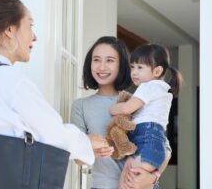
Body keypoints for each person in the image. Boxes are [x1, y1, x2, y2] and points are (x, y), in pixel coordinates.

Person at [0, 0, 108, 171]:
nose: (34, 36)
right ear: (9, 30)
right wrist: (87, 142)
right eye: (30, 25)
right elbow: (53, 134)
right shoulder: (12, 81)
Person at [71, 37, 171, 189]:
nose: (102, 67)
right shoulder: (81, 106)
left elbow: (165, 149)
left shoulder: (135, 101)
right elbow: (78, 159)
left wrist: (153, 178)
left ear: (122, 65)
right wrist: (91, 147)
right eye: (96, 60)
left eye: (110, 60)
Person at [109, 44, 182, 189]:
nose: (134, 72)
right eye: (132, 67)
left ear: (157, 70)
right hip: (153, 142)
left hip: (146, 139)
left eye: (140, 68)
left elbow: (127, 108)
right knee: (129, 183)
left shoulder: (148, 86)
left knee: (128, 183)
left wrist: (113, 108)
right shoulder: (162, 90)